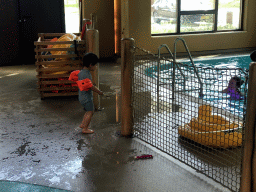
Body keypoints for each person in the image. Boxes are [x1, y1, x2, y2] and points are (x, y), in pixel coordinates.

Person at [78, 52, 103, 134]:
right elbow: (91, 87)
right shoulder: (87, 74)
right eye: (95, 65)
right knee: (90, 112)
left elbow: (86, 84)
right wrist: (99, 92)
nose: (96, 67)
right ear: (91, 65)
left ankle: (82, 124)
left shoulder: (81, 72)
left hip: (81, 96)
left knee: (87, 111)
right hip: (87, 97)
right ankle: (85, 128)